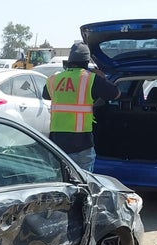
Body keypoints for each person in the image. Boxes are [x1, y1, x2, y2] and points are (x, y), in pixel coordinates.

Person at [42, 41, 120, 171]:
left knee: (61, 179)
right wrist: (102, 77)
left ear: (70, 60)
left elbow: (45, 95)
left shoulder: (54, 79)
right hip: (81, 143)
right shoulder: (91, 79)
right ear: (86, 61)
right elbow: (116, 94)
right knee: (83, 181)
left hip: (57, 141)